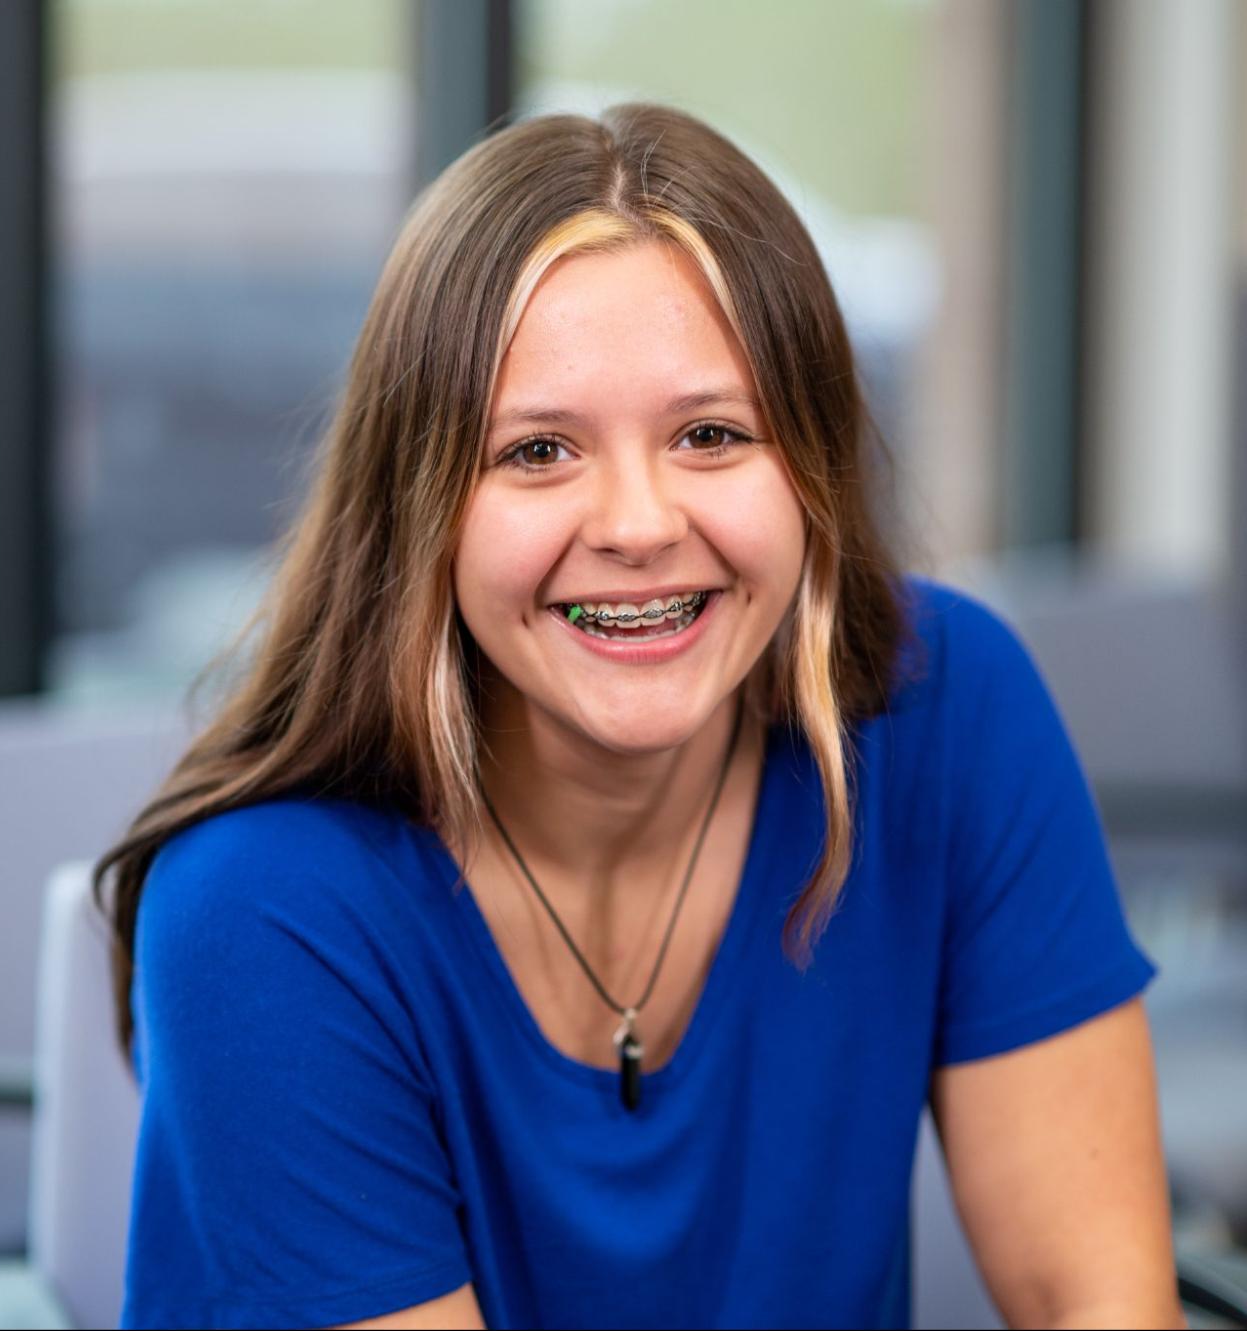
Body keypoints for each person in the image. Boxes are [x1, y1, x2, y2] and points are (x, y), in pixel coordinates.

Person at [97, 105, 1177, 1329]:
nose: (636, 523)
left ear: (811, 470)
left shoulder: (942, 709)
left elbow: (1098, 1301)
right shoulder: (261, 911)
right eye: (538, 450)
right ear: (421, 508)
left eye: (710, 434)